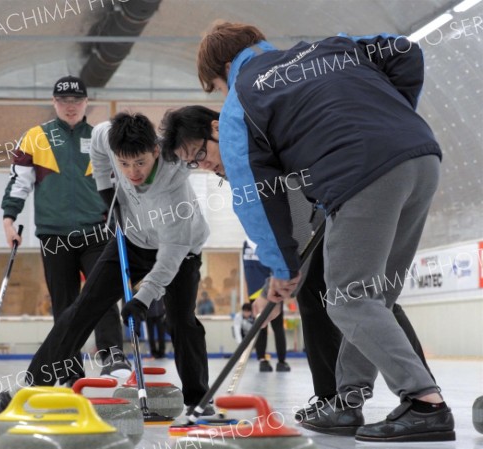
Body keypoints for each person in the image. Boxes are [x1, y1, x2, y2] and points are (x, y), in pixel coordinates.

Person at [187, 22, 453, 442]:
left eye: (218, 86)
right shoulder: (329, 48)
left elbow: (254, 195)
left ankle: (425, 403)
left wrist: (280, 267)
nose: (223, 94)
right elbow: (404, 51)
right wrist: (393, 117)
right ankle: (347, 402)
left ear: (224, 69)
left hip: (360, 172)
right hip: (419, 156)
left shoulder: (243, 99)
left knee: (348, 298)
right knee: (374, 295)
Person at [0, 112, 214, 417]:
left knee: (180, 321)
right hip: (132, 238)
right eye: (123, 164)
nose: (132, 172)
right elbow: (98, 149)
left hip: (181, 249)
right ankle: (31, 386)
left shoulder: (173, 186)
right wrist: (105, 191)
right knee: (82, 308)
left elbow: (170, 257)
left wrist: (142, 299)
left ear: (154, 150)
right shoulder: (106, 137)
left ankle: (199, 398)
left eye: (139, 163)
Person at [1, 75, 129, 381]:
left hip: (97, 231)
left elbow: (121, 179)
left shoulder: (102, 136)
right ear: (54, 103)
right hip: (54, 234)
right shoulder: (35, 137)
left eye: (76, 101)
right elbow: (19, 182)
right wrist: (9, 219)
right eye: (63, 102)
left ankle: (112, 353)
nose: (70, 107)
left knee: (104, 292)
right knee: (65, 304)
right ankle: (70, 367)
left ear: (86, 102)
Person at [243, 239, 289, 372]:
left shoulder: (246, 244)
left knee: (260, 328)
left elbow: (246, 269)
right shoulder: (263, 238)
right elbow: (274, 263)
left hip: (254, 291)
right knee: (278, 327)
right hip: (270, 288)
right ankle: (281, 362)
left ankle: (262, 360)